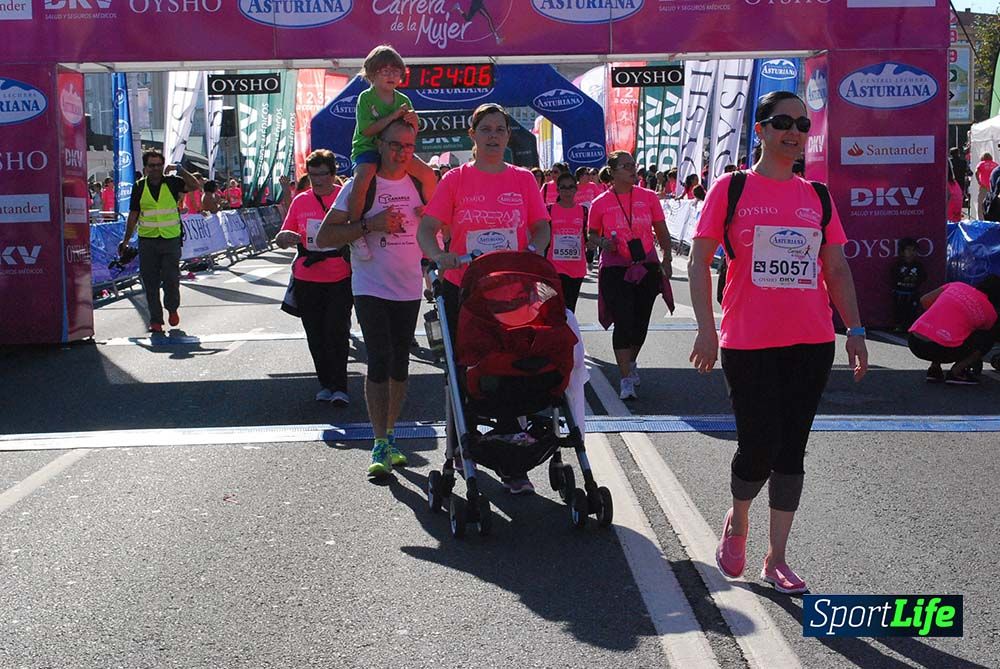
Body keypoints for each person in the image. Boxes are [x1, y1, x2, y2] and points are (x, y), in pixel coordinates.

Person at [688, 91, 868, 595]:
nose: (794, 132)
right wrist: (706, 328)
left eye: (802, 124)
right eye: (783, 122)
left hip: (811, 341)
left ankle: (777, 558)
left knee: (792, 449)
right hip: (748, 340)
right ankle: (739, 519)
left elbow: (835, 268)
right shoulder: (732, 188)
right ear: (761, 130)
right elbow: (698, 261)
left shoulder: (818, 197)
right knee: (758, 445)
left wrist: (855, 330)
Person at [417, 102, 551, 494]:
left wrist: (533, 251)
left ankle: (512, 459)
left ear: (508, 137)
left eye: (500, 130)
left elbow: (541, 227)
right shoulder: (455, 180)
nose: (493, 136)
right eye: (486, 129)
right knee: (465, 369)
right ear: (472, 135)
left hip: (512, 289)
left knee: (512, 366)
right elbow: (427, 228)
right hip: (464, 288)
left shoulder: (523, 179)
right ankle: (463, 443)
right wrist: (438, 255)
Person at [316, 120, 437, 477]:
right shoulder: (361, 185)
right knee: (380, 358)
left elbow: (441, 229)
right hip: (370, 285)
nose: (401, 153)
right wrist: (371, 224)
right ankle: (379, 440)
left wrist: (432, 224)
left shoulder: (420, 184)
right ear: (380, 145)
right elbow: (324, 237)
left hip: (408, 285)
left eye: (408, 146)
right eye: (395, 145)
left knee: (400, 364)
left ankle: (391, 435)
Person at [589, 150, 674, 400]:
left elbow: (661, 230)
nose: (632, 169)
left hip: (646, 265)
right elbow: (591, 234)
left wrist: (667, 258)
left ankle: (631, 361)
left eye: (633, 165)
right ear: (613, 172)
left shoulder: (648, 197)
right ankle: (625, 378)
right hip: (615, 268)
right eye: (626, 166)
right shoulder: (600, 202)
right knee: (623, 320)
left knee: (640, 322)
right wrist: (603, 242)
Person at [273, 150, 352, 405]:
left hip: (340, 275)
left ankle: (340, 387)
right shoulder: (300, 200)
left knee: (337, 331)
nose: (317, 180)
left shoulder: (345, 197)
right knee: (315, 334)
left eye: (322, 174)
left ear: (333, 173)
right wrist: (284, 238)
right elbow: (283, 233)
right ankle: (325, 384)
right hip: (307, 277)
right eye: (313, 175)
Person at [347, 45, 431, 226]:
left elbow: (410, 135)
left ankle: (431, 213)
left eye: (396, 71)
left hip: (397, 151)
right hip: (368, 149)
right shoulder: (366, 98)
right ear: (371, 74)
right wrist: (393, 116)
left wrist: (414, 123)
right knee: (362, 179)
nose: (391, 76)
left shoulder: (404, 100)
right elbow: (367, 131)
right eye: (385, 71)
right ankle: (354, 226)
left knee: (429, 174)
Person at [118, 151, 198, 332]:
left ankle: (172, 308)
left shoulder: (172, 182)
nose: (155, 169)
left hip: (170, 239)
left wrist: (179, 169)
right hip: (147, 241)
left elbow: (194, 185)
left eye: (158, 165)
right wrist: (126, 241)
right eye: (151, 166)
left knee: (171, 279)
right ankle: (156, 320)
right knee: (150, 281)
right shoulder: (139, 186)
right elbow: (133, 214)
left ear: (163, 166)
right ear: (145, 168)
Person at [909, 276, 1000, 385]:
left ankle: (934, 368)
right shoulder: (990, 312)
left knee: (943, 325)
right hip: (943, 350)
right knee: (987, 336)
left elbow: (924, 300)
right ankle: (957, 372)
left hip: (914, 341)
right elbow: (983, 332)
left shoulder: (956, 285)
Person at [547, 172, 589, 312]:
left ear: (576, 189)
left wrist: (593, 243)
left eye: (571, 187)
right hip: (555, 266)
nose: (567, 191)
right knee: (556, 308)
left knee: (570, 308)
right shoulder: (549, 210)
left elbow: (587, 236)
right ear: (558, 190)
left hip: (576, 266)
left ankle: (568, 327)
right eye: (563, 187)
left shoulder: (583, 211)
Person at [891, 238, 925, 331]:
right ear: (902, 252)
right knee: (899, 310)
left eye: (914, 250)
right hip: (900, 293)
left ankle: (911, 327)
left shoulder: (919, 266)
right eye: (908, 250)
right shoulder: (897, 265)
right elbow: (893, 277)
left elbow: (923, 278)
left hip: (913, 293)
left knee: (912, 311)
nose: (911, 253)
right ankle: (898, 326)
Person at [975, 152, 998, 217]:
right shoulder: (995, 164)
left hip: (983, 186)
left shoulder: (981, 163)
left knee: (981, 203)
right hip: (992, 188)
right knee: (992, 204)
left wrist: (979, 181)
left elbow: (976, 172)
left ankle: (981, 218)